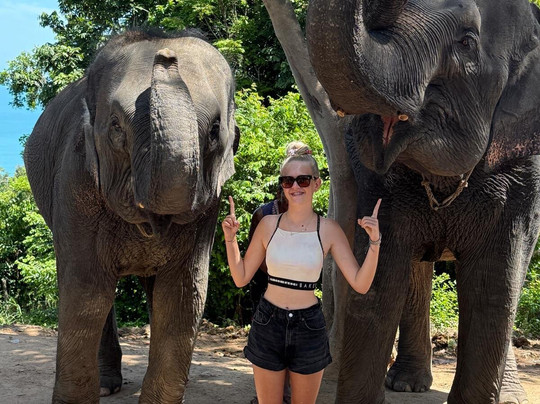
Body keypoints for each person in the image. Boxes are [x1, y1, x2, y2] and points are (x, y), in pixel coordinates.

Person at [222, 141, 382, 404]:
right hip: (268, 323)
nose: (295, 187)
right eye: (288, 181)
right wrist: (230, 239)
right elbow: (241, 278)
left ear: (316, 183)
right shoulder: (267, 224)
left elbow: (360, 284)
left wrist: (375, 242)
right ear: (282, 185)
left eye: (303, 180)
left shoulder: (329, 230)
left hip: (309, 327)